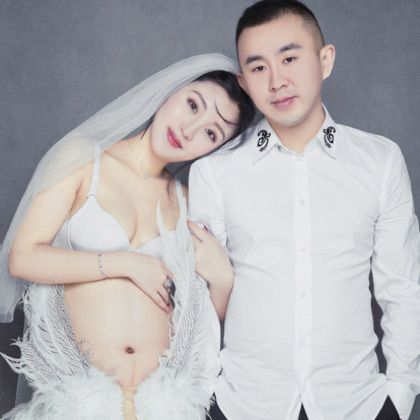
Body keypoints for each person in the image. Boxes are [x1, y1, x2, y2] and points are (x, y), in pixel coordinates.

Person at [189, 2, 420, 420]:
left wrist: (401, 395)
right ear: (244, 82)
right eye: (258, 67)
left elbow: (402, 288)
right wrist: (204, 397)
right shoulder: (214, 172)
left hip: (358, 406)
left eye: (290, 59)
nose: (277, 81)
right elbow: (200, 300)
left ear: (325, 60)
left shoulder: (381, 161)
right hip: (242, 406)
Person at [0, 53, 255, 420]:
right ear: (172, 90)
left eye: (211, 133)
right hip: (81, 403)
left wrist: (223, 282)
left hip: (163, 407)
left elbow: (197, 322)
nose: (190, 130)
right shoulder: (83, 159)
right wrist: (126, 264)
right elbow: (22, 257)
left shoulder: (188, 203)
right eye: (193, 105)